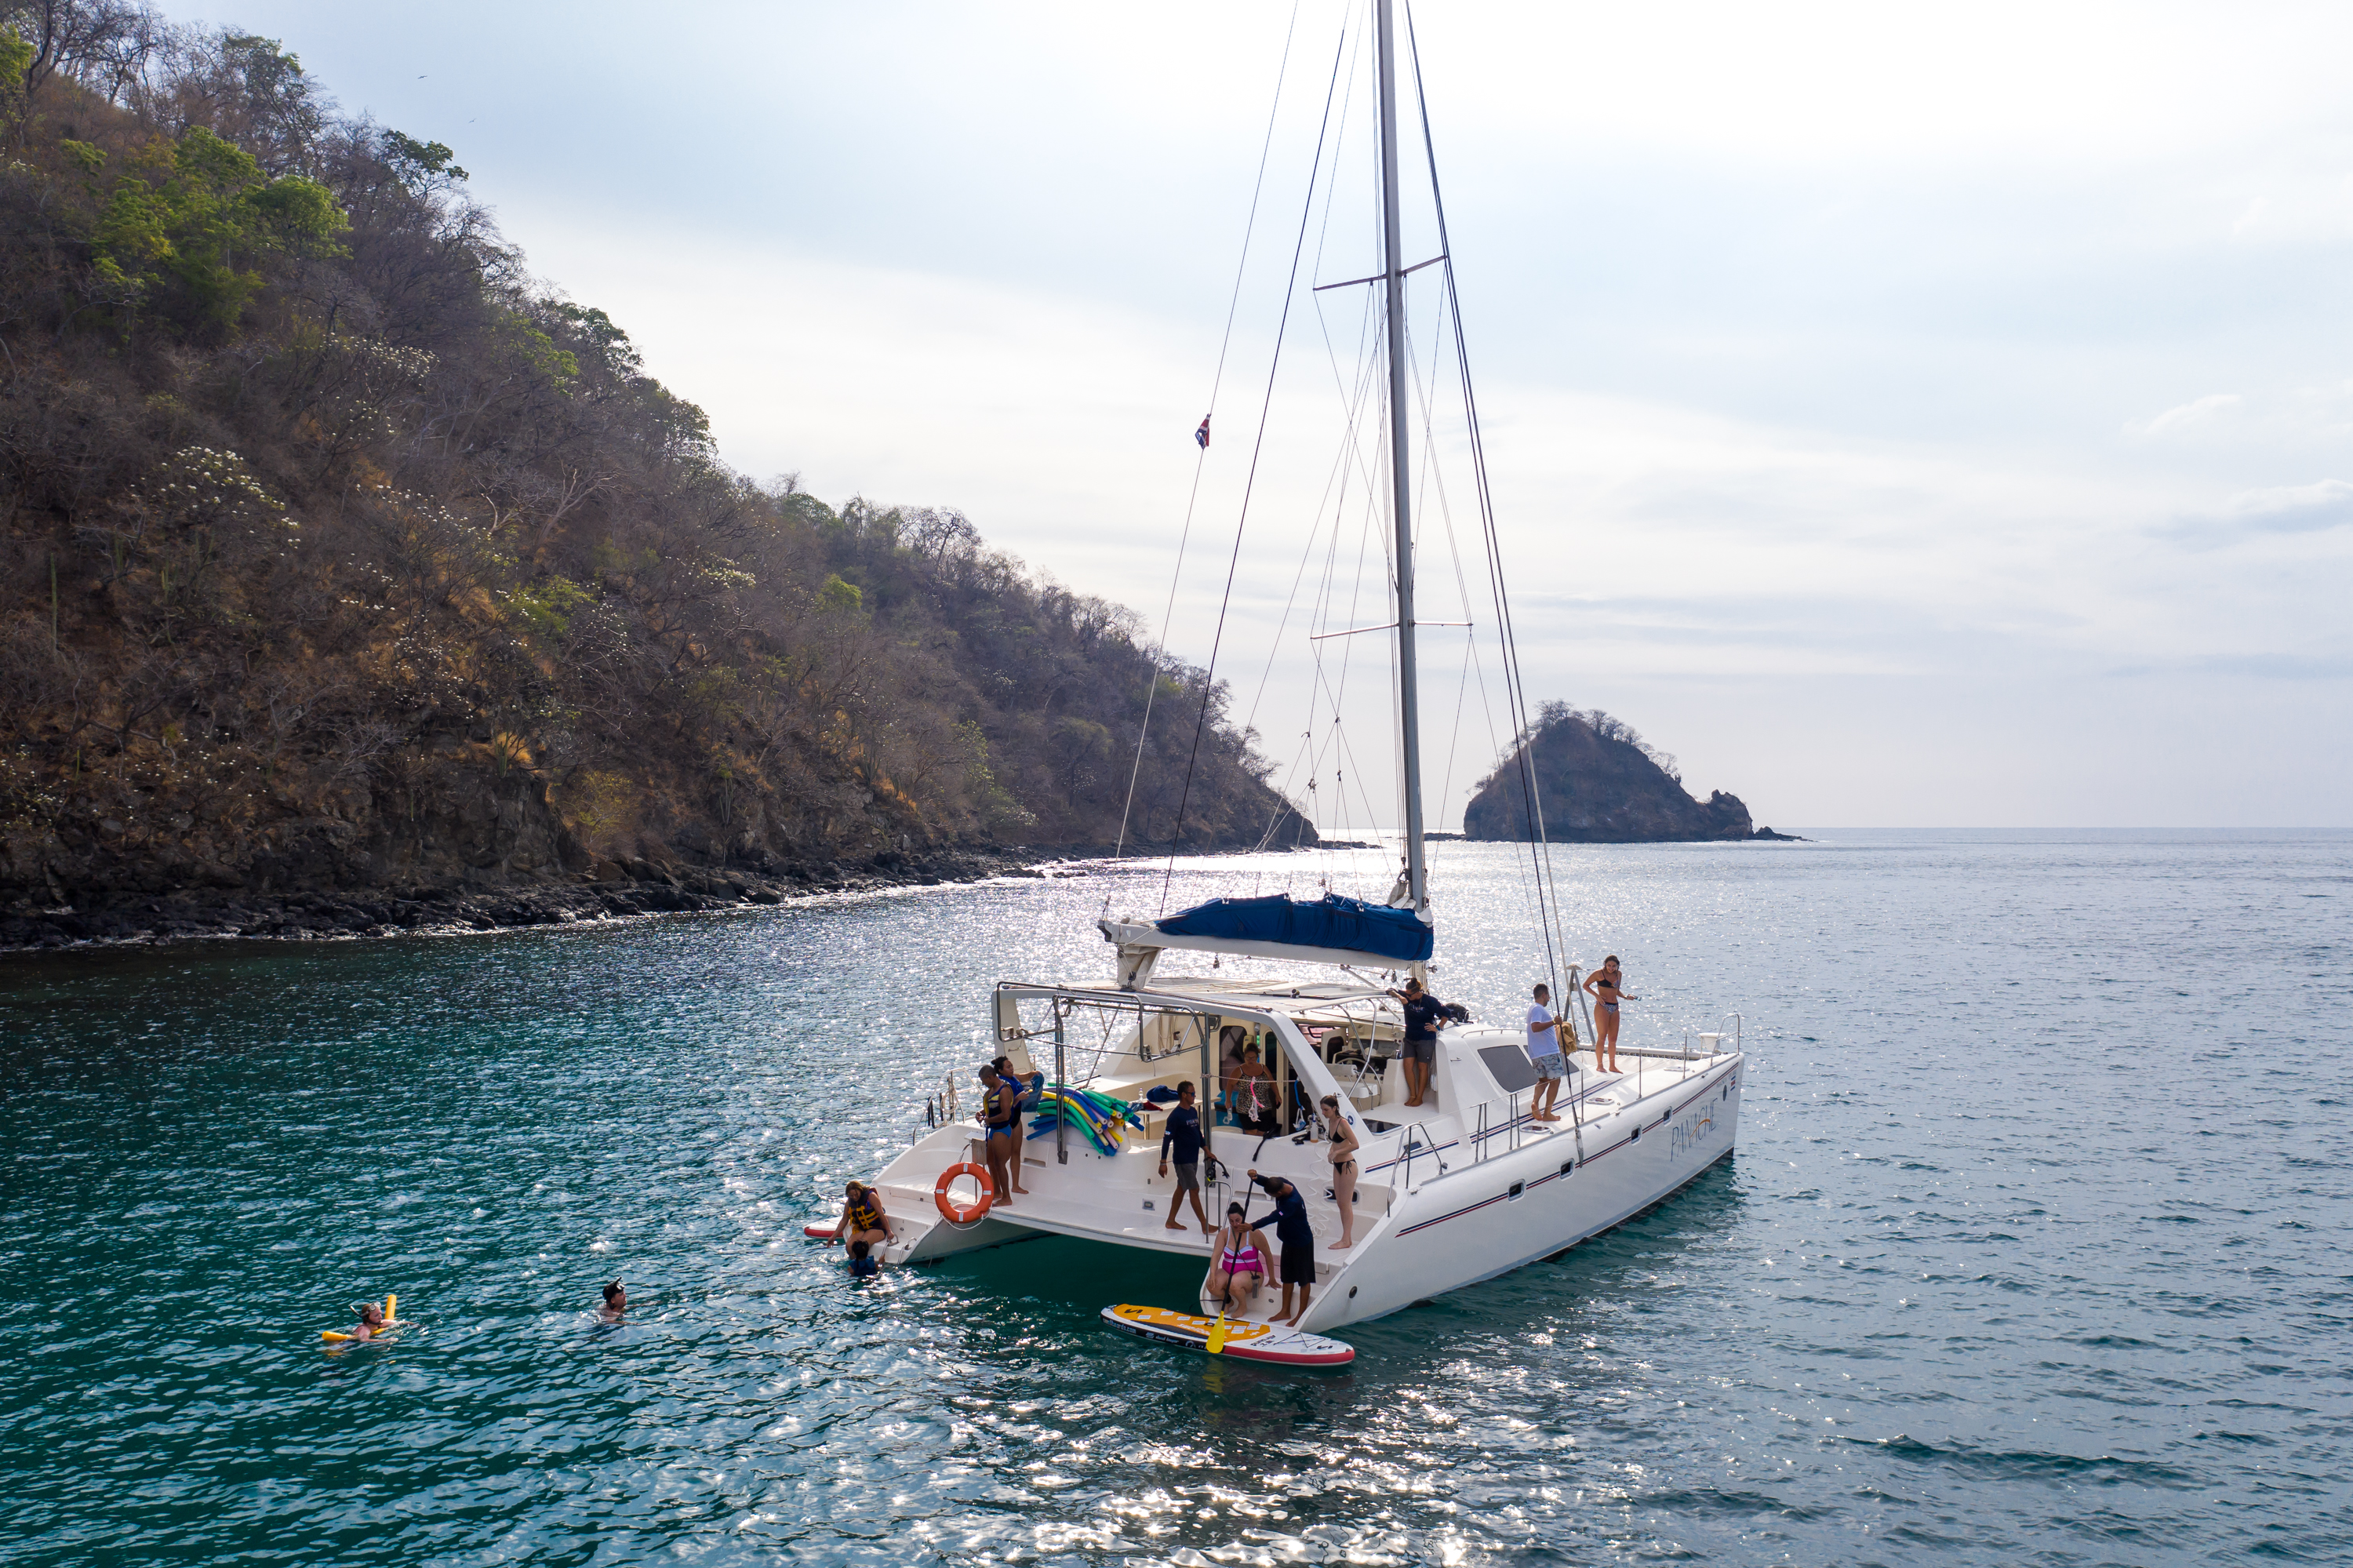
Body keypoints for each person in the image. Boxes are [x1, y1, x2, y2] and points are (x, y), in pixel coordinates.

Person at [1243, 1169, 1316, 1326]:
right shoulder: (1282, 1183)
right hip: (1288, 1241)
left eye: (1273, 1196)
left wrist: (1252, 1226)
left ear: (1279, 1193)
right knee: (1287, 1277)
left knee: (1304, 1280)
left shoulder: (1292, 1203)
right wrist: (1257, 1178)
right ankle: (1285, 1311)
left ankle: (1301, 1315)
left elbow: (1273, 1217)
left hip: (1302, 1243)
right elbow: (1269, 1181)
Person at [1158, 1079, 1213, 1234]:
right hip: (1183, 1160)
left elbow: (1198, 1134)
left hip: (1193, 1158)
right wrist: (1163, 1162)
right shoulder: (1175, 1116)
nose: (1194, 1096)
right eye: (1192, 1094)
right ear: (1184, 1095)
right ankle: (1205, 1225)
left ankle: (1170, 1221)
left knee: (1181, 1188)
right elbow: (1167, 1139)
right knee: (1194, 1189)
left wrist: (1207, 1151)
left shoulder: (1192, 1111)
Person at [1385, 977, 1448, 1107]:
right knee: (1407, 1066)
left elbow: (1446, 1013)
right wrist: (1399, 996)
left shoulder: (1430, 1001)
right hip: (1410, 1037)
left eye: (1409, 995)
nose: (1407, 996)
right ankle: (1412, 1095)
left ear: (1418, 993)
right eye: (1406, 994)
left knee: (1422, 1067)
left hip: (1425, 1038)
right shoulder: (1407, 996)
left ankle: (1419, 1097)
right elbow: (1390, 990)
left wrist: (1437, 1027)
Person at [1204, 1202, 1271, 1313]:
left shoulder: (1254, 1233)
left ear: (1243, 1217)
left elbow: (1268, 1254)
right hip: (1228, 1272)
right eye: (1231, 1221)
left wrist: (1272, 1279)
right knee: (1211, 1285)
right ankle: (1228, 1301)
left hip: (1252, 1274)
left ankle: (1242, 1306)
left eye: (1237, 1220)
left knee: (1234, 1283)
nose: (1235, 1224)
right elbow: (1216, 1255)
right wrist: (1212, 1274)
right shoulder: (1224, 1234)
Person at [978, 1063, 1029, 1206]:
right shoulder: (992, 1091)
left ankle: (1007, 1198)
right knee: (990, 1162)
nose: (983, 1085)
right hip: (993, 1130)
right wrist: (981, 1114)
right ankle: (997, 1191)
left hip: (1002, 1130)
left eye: (984, 1081)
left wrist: (989, 1120)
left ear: (990, 1077)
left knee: (1000, 1164)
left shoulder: (1004, 1090)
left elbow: (1006, 1115)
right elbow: (992, 1107)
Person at [992, 1054, 1043, 1198]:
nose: (1011, 1069)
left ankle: (1015, 1186)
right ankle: (998, 1189)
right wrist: (1018, 1098)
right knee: (1004, 1157)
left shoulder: (1014, 1077)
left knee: (1016, 1152)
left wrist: (1033, 1074)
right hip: (1007, 1121)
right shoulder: (1002, 1084)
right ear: (1001, 1071)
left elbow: (1025, 1077)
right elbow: (1004, 1105)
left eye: (1011, 1066)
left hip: (1017, 1119)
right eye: (1008, 1067)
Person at [1317, 1093, 1362, 1248]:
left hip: (1348, 1165)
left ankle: (1346, 1239)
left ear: (1335, 1108)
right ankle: (1346, 1239)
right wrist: (1332, 1151)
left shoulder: (1342, 1122)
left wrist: (1337, 1153)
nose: (1323, 1113)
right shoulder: (1331, 1121)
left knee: (1346, 1203)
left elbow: (1355, 1144)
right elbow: (1337, 1142)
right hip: (1337, 1165)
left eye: (1326, 1110)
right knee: (1340, 1204)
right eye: (1322, 1110)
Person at [1584, 956, 1638, 1074]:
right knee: (1602, 1037)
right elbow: (1585, 985)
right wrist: (1596, 996)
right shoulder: (1599, 974)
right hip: (1602, 1007)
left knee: (1613, 1039)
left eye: (1614, 966)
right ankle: (1600, 1065)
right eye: (1609, 966)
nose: (1611, 968)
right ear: (1605, 964)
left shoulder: (1619, 974)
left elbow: (1616, 990)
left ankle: (1612, 1066)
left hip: (1615, 1007)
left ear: (1617, 966)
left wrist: (1625, 997)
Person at [1526, 982, 1567, 1122]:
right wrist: (1554, 1022)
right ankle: (1548, 1113)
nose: (1549, 999)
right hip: (1548, 1053)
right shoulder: (1538, 1009)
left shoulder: (1532, 1008)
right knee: (1555, 1081)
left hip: (1537, 1054)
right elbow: (1535, 1027)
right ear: (1544, 995)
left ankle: (1535, 1103)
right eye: (1548, 996)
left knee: (1543, 1081)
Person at [829, 1179, 892, 1250]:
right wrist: (833, 1236)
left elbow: (881, 1214)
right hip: (861, 1228)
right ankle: (855, 1260)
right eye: (851, 1196)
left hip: (877, 1228)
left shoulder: (871, 1196)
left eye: (856, 1195)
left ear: (860, 1190)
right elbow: (844, 1220)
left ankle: (864, 1260)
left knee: (862, 1246)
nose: (854, 1197)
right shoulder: (849, 1202)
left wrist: (889, 1231)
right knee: (849, 1246)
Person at [1231, 1043, 1278, 1135]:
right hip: (1246, 1108)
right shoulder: (1239, 1070)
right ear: (1244, 1057)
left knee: (1262, 1133)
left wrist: (1278, 1095)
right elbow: (1230, 1085)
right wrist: (1228, 1100)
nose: (1251, 1060)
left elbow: (1272, 1082)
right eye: (1248, 1058)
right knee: (1252, 1133)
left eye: (1253, 1058)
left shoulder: (1264, 1068)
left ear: (1257, 1057)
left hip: (1264, 1107)